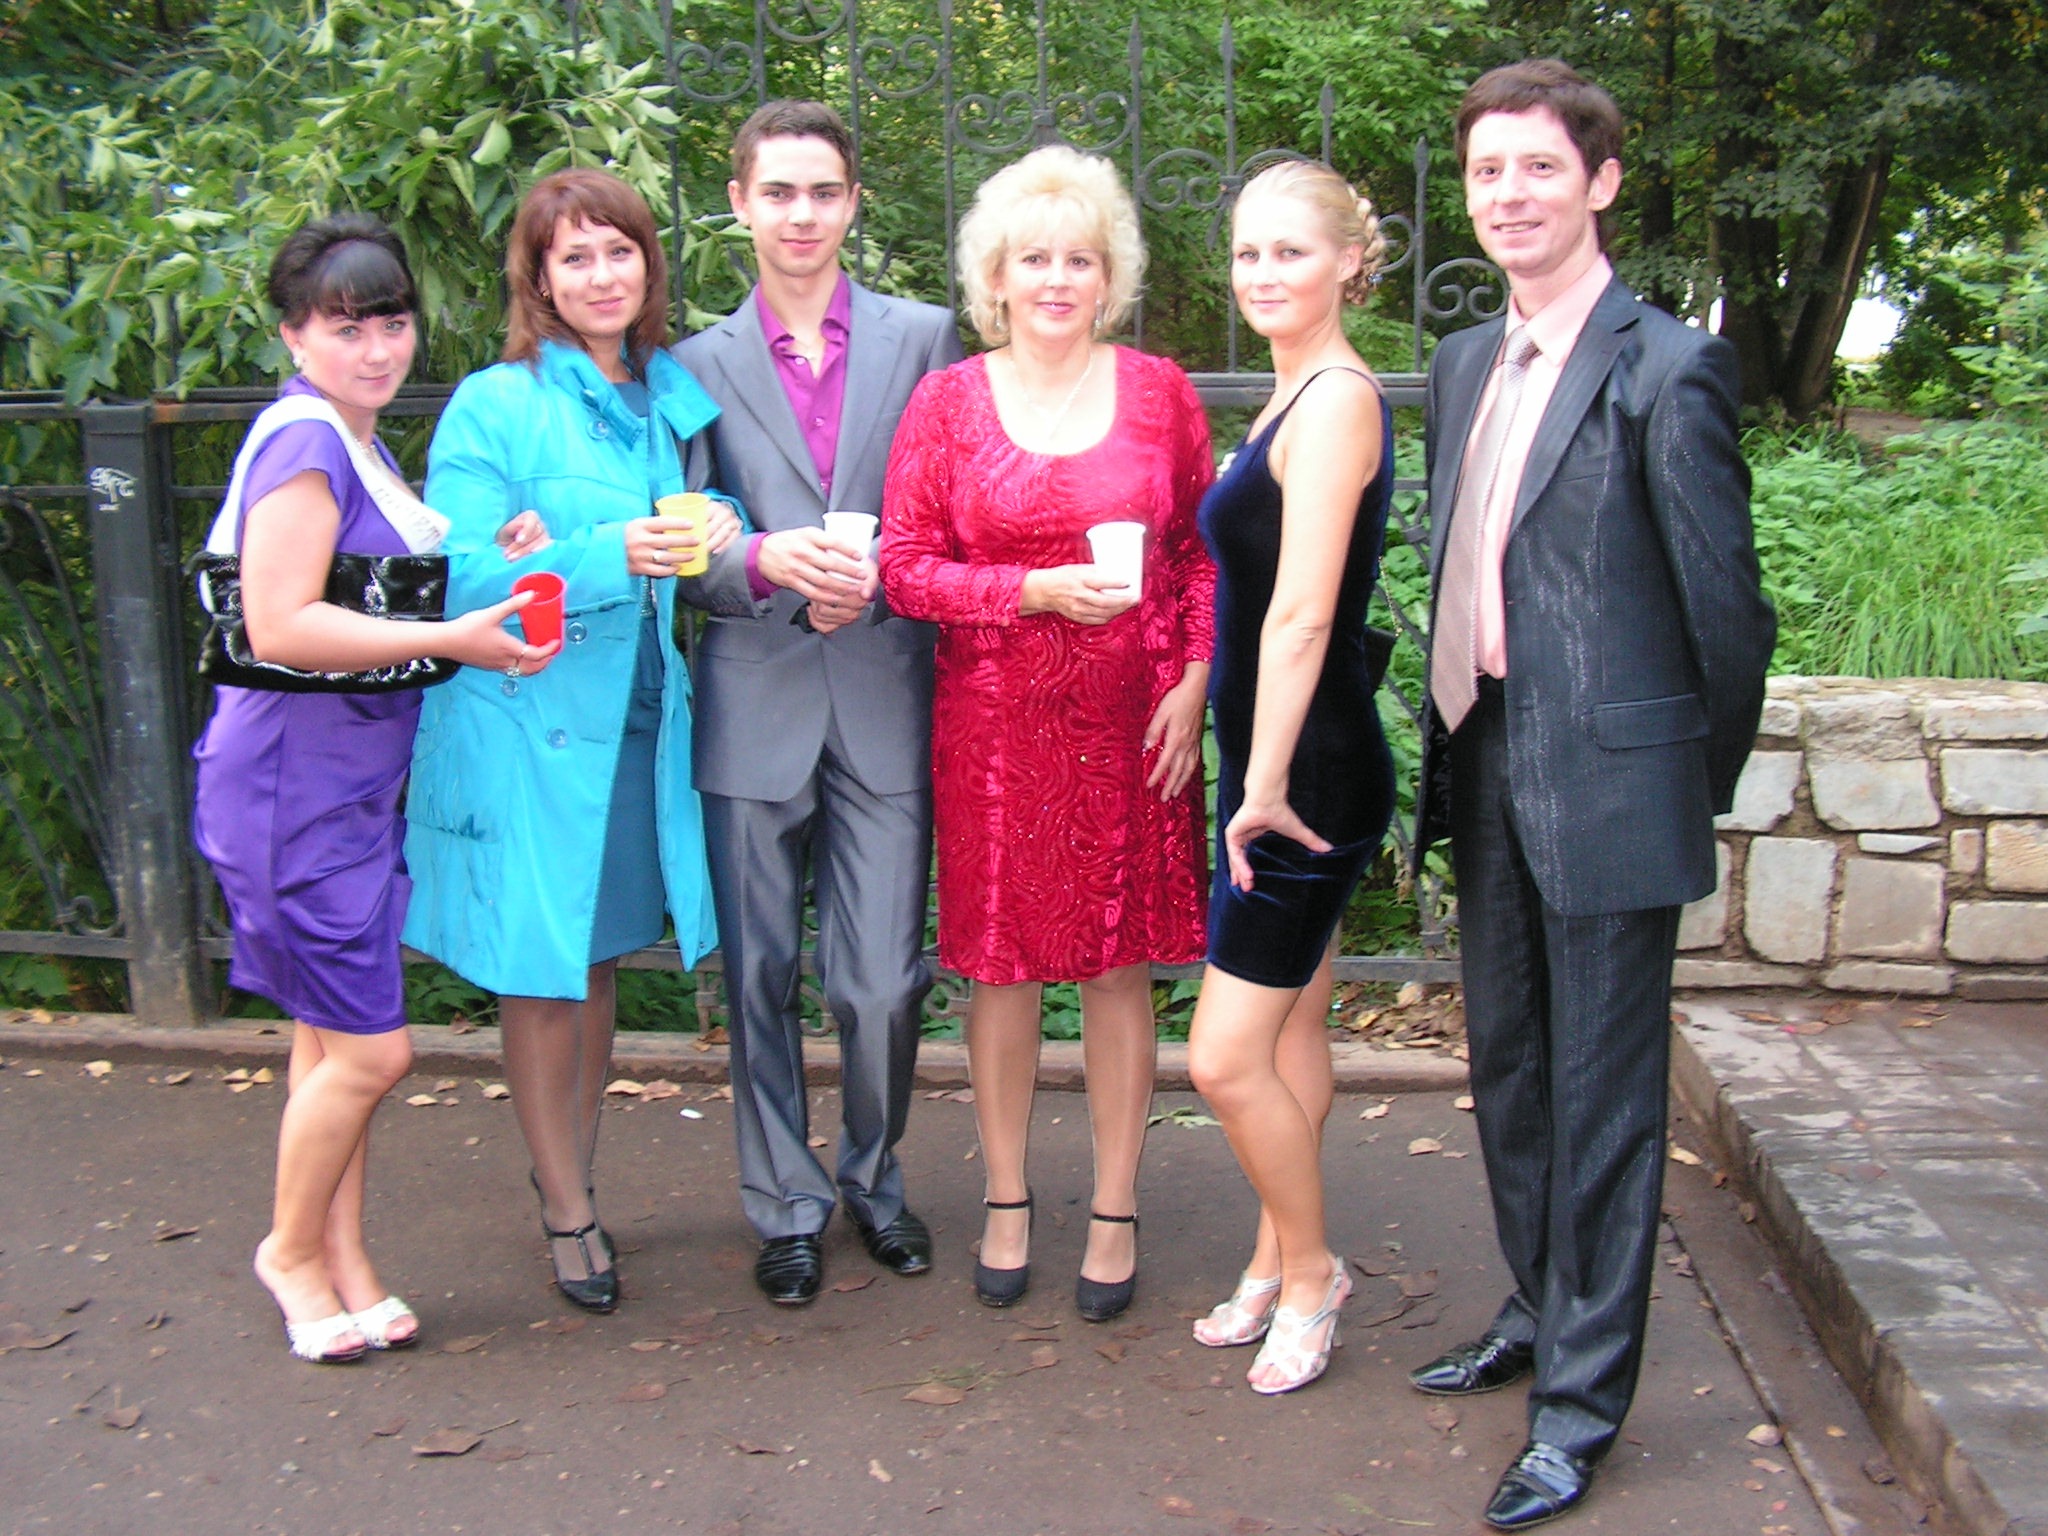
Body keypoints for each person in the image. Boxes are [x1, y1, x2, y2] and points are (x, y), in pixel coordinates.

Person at [1409, 60, 1775, 1529]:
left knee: (1607, 1101)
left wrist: (1679, 786)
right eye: (1487, 170)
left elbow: (1726, 615)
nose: (1509, 194)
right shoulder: (1460, 362)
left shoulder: (1665, 367)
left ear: (1601, 182)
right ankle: (1539, 1303)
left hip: (1614, 783)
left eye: (1539, 168)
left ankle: (1577, 1408)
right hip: (1484, 748)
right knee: (1509, 1068)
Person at [193, 215, 553, 1362]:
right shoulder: (306, 440)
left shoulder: (353, 441)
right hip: (290, 790)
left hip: (340, 789)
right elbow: (281, 624)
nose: (376, 348)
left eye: (390, 323)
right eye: (345, 328)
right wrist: (453, 638)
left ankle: (343, 1260)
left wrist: (496, 557)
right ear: (293, 335)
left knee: (324, 1042)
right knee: (371, 1052)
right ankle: (290, 1252)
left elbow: (370, 598)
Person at [880, 145, 1215, 1321]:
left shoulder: (1161, 392)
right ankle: (1008, 1198)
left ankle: (1115, 1206)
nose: (1058, 279)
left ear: (1108, 275)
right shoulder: (947, 402)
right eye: (1035, 259)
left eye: (1080, 259)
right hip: (996, 730)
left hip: (1134, 719)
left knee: (1120, 971)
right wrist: (1024, 592)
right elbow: (903, 568)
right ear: (996, 277)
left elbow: (1197, 556)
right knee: (1002, 973)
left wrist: (1195, 680)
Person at [403, 168, 742, 1315]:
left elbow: (701, 528)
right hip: (533, 721)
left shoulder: (669, 393)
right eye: (575, 257)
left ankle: (574, 1174)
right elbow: (452, 574)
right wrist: (601, 552)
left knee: (593, 961)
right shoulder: (494, 404)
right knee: (544, 968)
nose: (601, 276)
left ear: (648, 263)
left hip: (638, 718)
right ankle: (564, 1205)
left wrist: (724, 524)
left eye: (619, 251)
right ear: (538, 279)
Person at [672, 102, 964, 1306]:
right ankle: (784, 1205)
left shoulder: (925, 337)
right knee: (757, 976)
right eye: (778, 192)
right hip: (753, 695)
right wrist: (758, 561)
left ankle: (873, 1182)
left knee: (881, 983)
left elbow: (957, 503)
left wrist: (886, 573)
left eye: (823, 192)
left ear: (852, 203)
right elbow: (682, 538)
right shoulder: (690, 365)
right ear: (739, 203)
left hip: (886, 685)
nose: (801, 214)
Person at [1184, 160, 1397, 1394]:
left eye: (1289, 252)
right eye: (1246, 253)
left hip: (1302, 774)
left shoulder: (1333, 403)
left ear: (1346, 263)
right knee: (1294, 1022)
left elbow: (1304, 614)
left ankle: (1312, 1274)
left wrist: (1260, 786)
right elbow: (1251, 591)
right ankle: (1273, 1259)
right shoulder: (1290, 392)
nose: (1261, 274)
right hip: (1273, 757)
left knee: (1221, 1057)